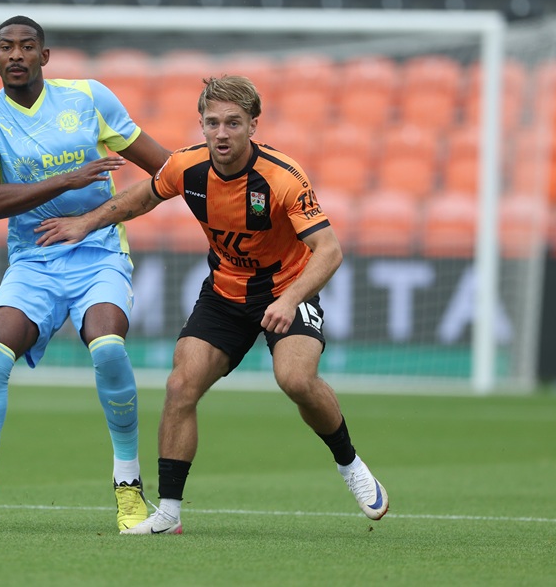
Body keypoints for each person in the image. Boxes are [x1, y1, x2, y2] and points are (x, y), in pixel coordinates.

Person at [36, 74, 388, 534]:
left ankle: (350, 464)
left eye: (233, 123)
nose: (221, 133)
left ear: (253, 126)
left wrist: (290, 298)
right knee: (181, 385)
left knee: (296, 378)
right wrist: (86, 223)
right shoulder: (187, 167)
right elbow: (140, 198)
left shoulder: (282, 177)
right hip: (224, 294)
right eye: (212, 123)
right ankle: (169, 514)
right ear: (201, 125)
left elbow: (330, 250)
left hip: (286, 288)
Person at [0, 16, 171, 532]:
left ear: (45, 57)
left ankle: (128, 488)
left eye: (28, 46)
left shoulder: (89, 98)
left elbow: (165, 168)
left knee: (109, 345)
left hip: (98, 254)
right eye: (7, 47)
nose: (17, 55)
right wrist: (68, 179)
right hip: (33, 260)